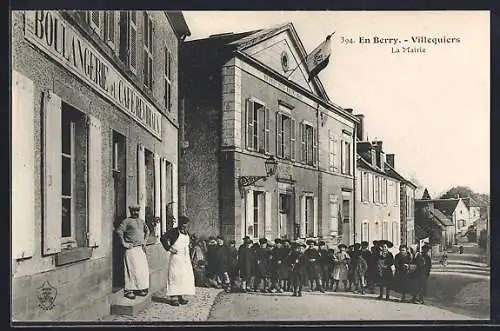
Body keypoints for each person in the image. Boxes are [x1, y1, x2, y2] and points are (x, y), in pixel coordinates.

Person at [115, 205, 150, 300]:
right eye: (133, 211)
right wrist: (124, 243)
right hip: (131, 249)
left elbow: (147, 231)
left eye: (137, 211)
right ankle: (129, 290)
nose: (136, 212)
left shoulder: (141, 221)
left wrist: (144, 242)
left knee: (141, 270)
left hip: (140, 249)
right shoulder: (126, 221)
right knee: (131, 269)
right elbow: (119, 231)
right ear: (130, 211)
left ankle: (141, 288)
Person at [160, 216, 195, 306]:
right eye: (183, 224)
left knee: (183, 277)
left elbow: (187, 242)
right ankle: (173, 298)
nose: (185, 226)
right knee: (175, 276)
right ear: (180, 224)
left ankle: (181, 296)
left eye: (186, 225)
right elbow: (163, 238)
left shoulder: (186, 232)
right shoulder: (174, 231)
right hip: (176, 257)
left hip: (185, 258)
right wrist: (169, 249)